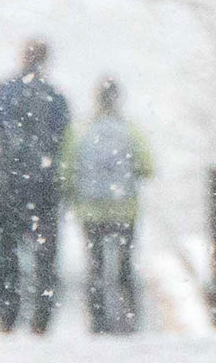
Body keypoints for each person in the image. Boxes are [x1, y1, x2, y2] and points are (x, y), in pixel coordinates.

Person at [0, 40, 70, 335]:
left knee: (4, 252)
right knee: (45, 255)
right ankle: (41, 316)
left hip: (7, 184)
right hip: (44, 187)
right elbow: (66, 144)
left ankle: (7, 313)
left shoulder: (4, 91)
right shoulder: (55, 97)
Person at [63, 78, 153, 335]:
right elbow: (148, 167)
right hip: (125, 209)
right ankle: (129, 319)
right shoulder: (131, 131)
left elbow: (67, 170)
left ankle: (98, 320)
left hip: (90, 210)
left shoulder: (81, 131)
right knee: (125, 265)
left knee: (96, 265)